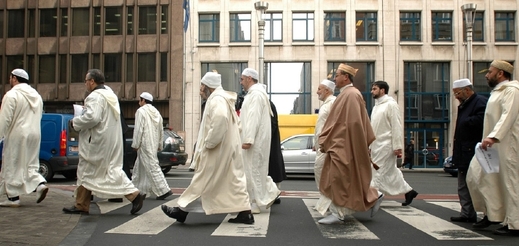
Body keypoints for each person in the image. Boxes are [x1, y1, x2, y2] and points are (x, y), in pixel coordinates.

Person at [161, 72, 253, 224]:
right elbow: (237, 124)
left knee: (202, 179)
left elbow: (221, 119)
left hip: (217, 149)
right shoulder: (224, 99)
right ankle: (245, 212)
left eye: (202, 86)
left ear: (208, 86)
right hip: (227, 148)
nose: (200, 89)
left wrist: (209, 142)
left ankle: (182, 210)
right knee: (232, 180)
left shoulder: (216, 100)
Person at [62, 69, 145, 215]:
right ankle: (81, 204)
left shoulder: (94, 97)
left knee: (93, 169)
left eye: (86, 80)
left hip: (97, 141)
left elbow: (92, 118)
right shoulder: (110, 94)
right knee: (99, 170)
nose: (85, 83)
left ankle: (134, 195)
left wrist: (75, 122)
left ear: (92, 81)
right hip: (110, 139)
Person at [315, 64, 383, 224]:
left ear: (346, 77)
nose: (335, 78)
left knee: (338, 178)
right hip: (340, 144)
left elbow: (352, 124)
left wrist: (335, 140)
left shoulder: (351, 95)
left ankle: (339, 213)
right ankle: (373, 197)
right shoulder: (347, 94)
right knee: (346, 179)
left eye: (337, 75)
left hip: (343, 145)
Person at [467, 60, 519, 236]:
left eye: (490, 72)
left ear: (500, 74)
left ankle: (515, 223)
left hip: (506, 145)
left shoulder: (512, 91)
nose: (487, 75)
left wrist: (493, 136)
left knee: (510, 183)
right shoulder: (498, 92)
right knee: (477, 177)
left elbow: (508, 115)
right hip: (491, 147)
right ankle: (493, 213)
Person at [0, 69, 49, 207]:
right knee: (30, 163)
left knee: (13, 163)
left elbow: (5, 119)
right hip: (35, 133)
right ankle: (39, 184)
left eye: (10, 78)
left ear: (14, 78)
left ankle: (13, 198)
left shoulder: (12, 95)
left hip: (17, 134)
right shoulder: (37, 96)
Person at [369, 81, 418, 206]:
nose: (371, 91)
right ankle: (409, 191)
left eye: (374, 89)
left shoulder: (391, 105)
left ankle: (372, 198)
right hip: (376, 145)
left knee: (377, 171)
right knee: (391, 172)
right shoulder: (375, 107)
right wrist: (370, 145)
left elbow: (396, 126)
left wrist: (397, 146)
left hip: (386, 145)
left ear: (382, 90)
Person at [239, 68, 280, 214]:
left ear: (249, 78)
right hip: (256, 140)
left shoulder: (256, 95)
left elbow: (253, 118)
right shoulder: (255, 94)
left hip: (254, 141)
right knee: (257, 170)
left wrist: (248, 139)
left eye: (242, 79)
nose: (241, 82)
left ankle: (256, 203)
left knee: (253, 171)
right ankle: (270, 192)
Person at [449, 79, 487, 223]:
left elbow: (483, 120)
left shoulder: (480, 102)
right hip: (464, 150)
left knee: (476, 184)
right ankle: (467, 213)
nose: (456, 96)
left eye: (457, 93)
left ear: (466, 90)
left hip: (473, 151)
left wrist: (466, 122)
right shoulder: (466, 104)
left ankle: (485, 214)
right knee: (463, 184)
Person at [131, 92, 172, 200]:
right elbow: (160, 130)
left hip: (144, 143)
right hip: (153, 143)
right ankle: (138, 191)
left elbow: (138, 129)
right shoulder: (156, 112)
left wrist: (136, 144)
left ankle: (164, 190)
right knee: (140, 167)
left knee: (152, 166)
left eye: (140, 99)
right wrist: (159, 144)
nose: (139, 102)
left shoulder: (141, 111)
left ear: (143, 100)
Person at [313, 79, 336, 207]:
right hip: (321, 146)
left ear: (327, 90)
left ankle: (327, 199)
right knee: (320, 170)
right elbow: (320, 127)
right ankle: (326, 198)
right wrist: (315, 143)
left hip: (327, 146)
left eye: (319, 89)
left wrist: (325, 143)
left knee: (321, 170)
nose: (317, 92)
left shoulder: (333, 103)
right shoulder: (325, 105)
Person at [268, 100, 286, 204]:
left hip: (269, 143)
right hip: (271, 142)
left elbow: (272, 124)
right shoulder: (269, 103)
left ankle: (274, 193)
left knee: (272, 168)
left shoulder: (267, 103)